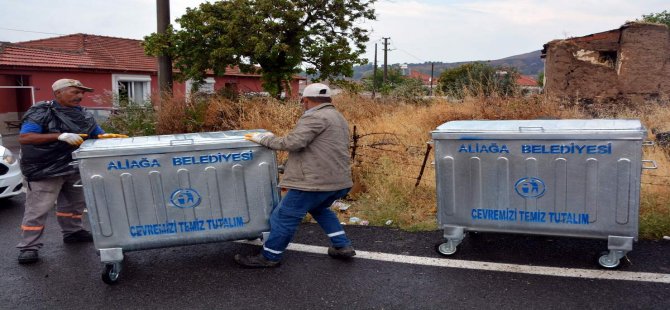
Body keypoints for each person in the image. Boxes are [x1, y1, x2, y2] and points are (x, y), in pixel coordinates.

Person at [235, 83, 355, 268]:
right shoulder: (337, 117)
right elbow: (320, 150)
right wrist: (288, 167)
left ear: (305, 100)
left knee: (283, 216)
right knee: (320, 209)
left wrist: (263, 139)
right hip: (339, 181)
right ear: (329, 99)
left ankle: (270, 256)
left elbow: (293, 143)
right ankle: (342, 246)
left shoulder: (315, 116)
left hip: (315, 183)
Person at [16, 78, 122, 264]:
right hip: (45, 169)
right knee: (38, 209)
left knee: (74, 204)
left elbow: (95, 132)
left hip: (74, 165)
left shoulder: (82, 114)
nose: (80, 96)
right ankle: (29, 247)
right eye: (75, 92)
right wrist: (60, 136)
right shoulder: (42, 111)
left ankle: (73, 232)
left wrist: (103, 137)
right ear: (58, 93)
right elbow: (25, 137)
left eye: (82, 93)